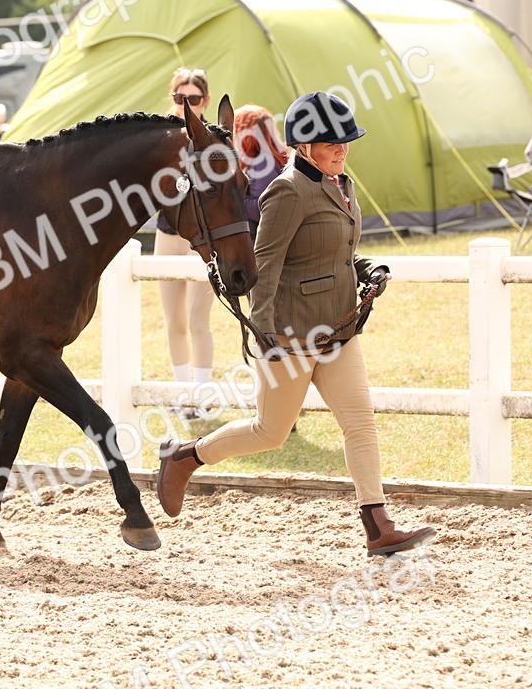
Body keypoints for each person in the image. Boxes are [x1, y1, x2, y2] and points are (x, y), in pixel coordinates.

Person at [157, 91, 436, 557]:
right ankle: (184, 457)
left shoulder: (341, 184)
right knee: (270, 432)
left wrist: (368, 270)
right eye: (332, 143)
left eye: (346, 142)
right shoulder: (286, 192)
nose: (342, 150)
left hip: (340, 331)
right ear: (305, 146)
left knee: (361, 425)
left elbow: (339, 250)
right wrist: (262, 334)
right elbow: (265, 266)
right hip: (292, 334)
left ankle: (378, 525)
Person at [155, 68, 216, 419]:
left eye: (193, 98)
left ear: (205, 100)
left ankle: (202, 396)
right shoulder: (163, 137)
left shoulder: (213, 138)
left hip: (201, 241)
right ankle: (182, 396)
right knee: (173, 320)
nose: (186, 104)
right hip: (167, 234)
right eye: (180, 98)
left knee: (198, 321)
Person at [231, 104, 289, 241]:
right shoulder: (269, 160)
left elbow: (263, 209)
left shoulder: (263, 164)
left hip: (259, 243)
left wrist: (235, 199)